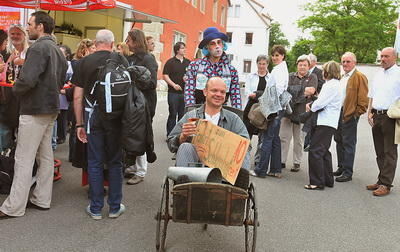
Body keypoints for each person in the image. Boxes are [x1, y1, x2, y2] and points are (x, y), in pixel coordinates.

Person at [0, 11, 67, 219]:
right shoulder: (56, 49)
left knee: (23, 158)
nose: (27, 27)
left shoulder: (38, 48)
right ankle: (41, 198)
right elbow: (61, 77)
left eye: (30, 24)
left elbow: (27, 80)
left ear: (40, 26)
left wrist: (14, 89)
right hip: (50, 108)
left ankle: (14, 206)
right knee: (45, 156)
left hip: (34, 108)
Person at [74, 29, 127, 219]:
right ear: (112, 44)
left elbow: (78, 96)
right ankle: (114, 207)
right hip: (117, 117)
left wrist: (79, 125)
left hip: (92, 116)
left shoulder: (84, 62)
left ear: (95, 44)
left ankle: (95, 208)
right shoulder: (121, 60)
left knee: (94, 162)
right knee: (115, 162)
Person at [167, 77, 250, 171]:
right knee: (185, 146)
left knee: (243, 148)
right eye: (214, 90)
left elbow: (247, 145)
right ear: (205, 92)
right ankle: (184, 182)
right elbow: (171, 144)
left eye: (222, 92)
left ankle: (240, 181)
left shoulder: (233, 119)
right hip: (195, 167)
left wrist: (224, 143)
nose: (218, 94)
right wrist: (182, 137)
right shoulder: (190, 116)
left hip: (223, 169)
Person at [124, 28, 158, 185]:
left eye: (129, 40)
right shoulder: (130, 58)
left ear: (136, 41)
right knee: (132, 134)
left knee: (142, 135)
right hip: (133, 103)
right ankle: (134, 166)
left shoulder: (148, 59)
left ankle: (141, 171)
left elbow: (151, 83)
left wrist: (134, 79)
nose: (126, 43)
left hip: (145, 103)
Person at [251, 45, 288, 178]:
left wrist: (270, 107)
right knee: (275, 139)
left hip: (275, 108)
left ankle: (260, 170)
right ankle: (275, 169)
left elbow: (277, 89)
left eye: (277, 55)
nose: (274, 57)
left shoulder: (278, 70)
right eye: (273, 55)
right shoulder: (282, 68)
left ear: (283, 56)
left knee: (267, 138)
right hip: (280, 108)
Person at [366, 47, 400, 196]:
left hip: (391, 117)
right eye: (381, 56)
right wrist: (369, 112)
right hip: (377, 115)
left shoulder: (399, 74)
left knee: (389, 152)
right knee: (380, 151)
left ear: (395, 58)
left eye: (386, 56)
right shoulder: (378, 74)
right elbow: (372, 94)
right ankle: (381, 180)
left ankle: (386, 184)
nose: (383, 59)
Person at [304, 61, 342, 190]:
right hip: (330, 122)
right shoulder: (336, 85)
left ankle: (317, 182)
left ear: (328, 72)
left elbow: (321, 103)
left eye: (324, 70)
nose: (322, 72)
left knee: (315, 151)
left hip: (324, 121)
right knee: (324, 151)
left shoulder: (330, 85)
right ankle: (327, 179)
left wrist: (311, 107)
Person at [184, 27, 241, 109]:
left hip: (222, 112)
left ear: (223, 44)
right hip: (199, 109)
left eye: (219, 42)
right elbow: (189, 91)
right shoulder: (195, 66)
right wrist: (191, 111)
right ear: (207, 47)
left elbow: (236, 95)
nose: (217, 46)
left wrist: (238, 115)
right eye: (212, 43)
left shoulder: (231, 70)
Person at [333, 52, 368, 182]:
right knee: (338, 140)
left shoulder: (359, 77)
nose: (345, 64)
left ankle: (348, 172)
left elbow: (363, 99)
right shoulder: (342, 77)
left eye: (348, 61)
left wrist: (355, 114)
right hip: (338, 113)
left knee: (348, 143)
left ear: (354, 62)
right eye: (343, 61)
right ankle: (341, 167)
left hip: (350, 114)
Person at [280, 55, 317, 172]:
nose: (302, 67)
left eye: (305, 65)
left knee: (299, 140)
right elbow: (286, 90)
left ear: (308, 66)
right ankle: (281, 161)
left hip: (302, 114)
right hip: (288, 112)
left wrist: (295, 90)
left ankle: (297, 162)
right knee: (284, 138)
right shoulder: (290, 76)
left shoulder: (313, 77)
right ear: (297, 65)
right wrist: (302, 91)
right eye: (300, 64)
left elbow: (312, 91)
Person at [163, 42, 190, 136]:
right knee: (173, 114)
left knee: (182, 115)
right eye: (182, 48)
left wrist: (188, 78)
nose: (184, 49)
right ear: (177, 50)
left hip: (185, 93)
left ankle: (180, 135)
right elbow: (165, 75)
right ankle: (170, 134)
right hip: (173, 93)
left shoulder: (188, 62)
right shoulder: (170, 62)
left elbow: (192, 75)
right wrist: (173, 85)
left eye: (184, 48)